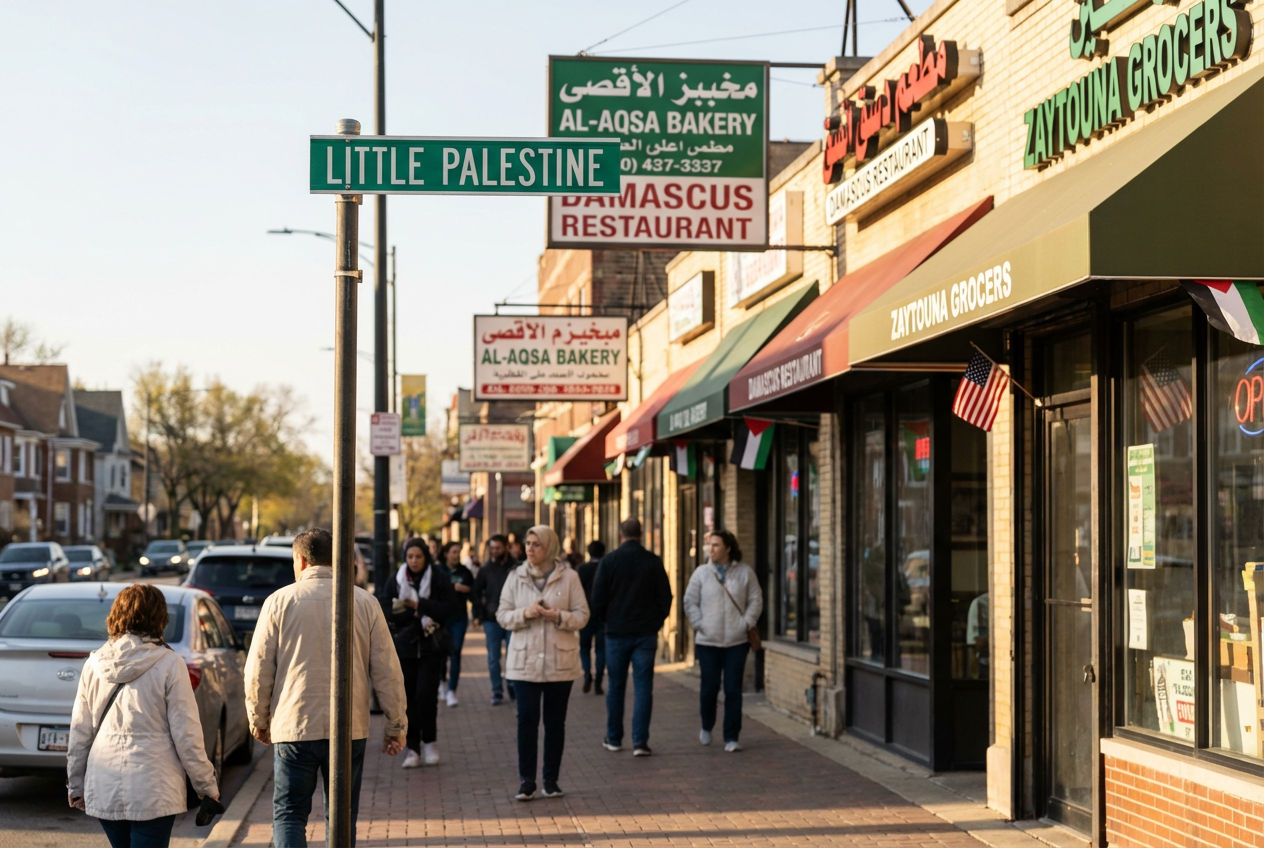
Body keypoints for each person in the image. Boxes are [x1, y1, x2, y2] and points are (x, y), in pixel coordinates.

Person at [245, 528, 407, 848]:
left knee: (289, 814)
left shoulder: (278, 602)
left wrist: (259, 718)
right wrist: (396, 723)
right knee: (341, 816)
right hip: (350, 727)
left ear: (301, 560)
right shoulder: (364, 601)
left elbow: (258, 670)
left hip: (294, 724)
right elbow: (387, 670)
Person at [67, 584, 219, 848]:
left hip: (105, 781)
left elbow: (80, 732)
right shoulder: (170, 664)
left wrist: (75, 785)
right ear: (159, 618)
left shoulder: (94, 664)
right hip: (155, 786)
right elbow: (187, 734)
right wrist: (206, 786)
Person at [496, 525, 589, 801]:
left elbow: (583, 615)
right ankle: (527, 780)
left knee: (555, 722)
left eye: (536, 544)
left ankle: (551, 780)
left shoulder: (570, 577)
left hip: (560, 662)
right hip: (524, 663)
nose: (530, 548)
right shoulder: (515, 576)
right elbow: (502, 614)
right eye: (528, 543)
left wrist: (557, 616)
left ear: (549, 546)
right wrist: (526, 613)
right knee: (526, 720)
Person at [591, 518, 672, 757]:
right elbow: (666, 598)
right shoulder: (652, 561)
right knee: (643, 686)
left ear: (620, 534)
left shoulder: (609, 561)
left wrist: (607, 621)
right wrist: (655, 623)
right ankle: (640, 742)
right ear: (642, 534)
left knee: (616, 686)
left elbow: (597, 599)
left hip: (616, 633)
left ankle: (614, 738)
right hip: (645, 633)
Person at [683, 530, 763, 753]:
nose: (712, 549)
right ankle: (707, 725)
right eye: (710, 545)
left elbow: (756, 600)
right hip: (708, 642)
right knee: (709, 688)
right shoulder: (701, 573)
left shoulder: (745, 573)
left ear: (728, 548)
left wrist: (746, 623)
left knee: (733, 689)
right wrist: (700, 624)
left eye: (716, 545)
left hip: (737, 642)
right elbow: (690, 601)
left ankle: (731, 736)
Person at [381, 538, 457, 766]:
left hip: (430, 646)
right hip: (404, 647)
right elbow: (385, 609)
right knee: (407, 699)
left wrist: (420, 605)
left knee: (426, 696)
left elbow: (448, 608)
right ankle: (412, 748)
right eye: (410, 556)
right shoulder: (396, 579)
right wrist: (408, 612)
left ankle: (430, 742)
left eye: (418, 556)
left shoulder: (439, 578)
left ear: (426, 557)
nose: (414, 561)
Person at [473, 534, 517, 705]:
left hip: (513, 618)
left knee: (513, 655)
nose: (494, 551)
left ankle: (512, 685)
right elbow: (475, 592)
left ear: (506, 547)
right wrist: (480, 611)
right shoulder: (485, 569)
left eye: (498, 548)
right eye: (492, 548)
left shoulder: (515, 567)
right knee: (493, 658)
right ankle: (497, 691)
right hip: (491, 619)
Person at [437, 541, 474, 707]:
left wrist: (466, 590)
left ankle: (452, 690)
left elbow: (473, 591)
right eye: (453, 552)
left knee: (456, 652)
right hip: (441, 618)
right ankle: (442, 683)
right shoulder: (437, 570)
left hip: (459, 618)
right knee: (441, 654)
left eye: (458, 552)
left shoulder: (465, 572)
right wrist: (453, 587)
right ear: (446, 553)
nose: (456, 555)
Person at [576, 540, 607, 695]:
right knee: (601, 649)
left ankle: (587, 673)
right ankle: (599, 681)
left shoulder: (582, 569)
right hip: (603, 615)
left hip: (586, 613)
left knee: (585, 647)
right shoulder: (607, 567)